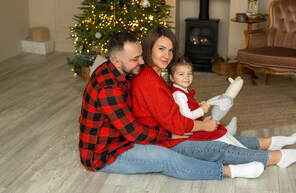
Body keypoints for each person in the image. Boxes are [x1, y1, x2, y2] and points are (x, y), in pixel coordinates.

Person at [78, 31, 264, 180]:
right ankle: (229, 171)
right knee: (167, 159)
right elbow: (133, 132)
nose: (142, 62)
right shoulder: (109, 88)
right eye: (136, 59)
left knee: (180, 146)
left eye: (141, 56)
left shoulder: (117, 70)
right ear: (116, 60)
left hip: (121, 140)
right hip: (105, 154)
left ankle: (258, 147)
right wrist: (169, 133)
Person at [130, 26, 296, 177]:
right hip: (164, 140)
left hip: (171, 133)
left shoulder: (153, 75)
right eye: (161, 49)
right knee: (218, 148)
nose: (167, 55)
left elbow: (170, 116)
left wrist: (198, 124)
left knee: (224, 136)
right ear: (149, 48)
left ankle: (270, 143)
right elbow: (173, 122)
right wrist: (202, 126)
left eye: (170, 50)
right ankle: (278, 157)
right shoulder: (148, 80)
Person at [169, 57, 247, 148]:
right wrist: (201, 110)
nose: (186, 77)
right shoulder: (178, 94)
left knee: (215, 127)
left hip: (194, 124)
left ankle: (232, 138)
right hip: (190, 131)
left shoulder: (183, 90)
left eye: (189, 74)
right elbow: (187, 117)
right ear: (172, 77)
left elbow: (185, 107)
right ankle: (240, 148)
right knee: (216, 134)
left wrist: (198, 106)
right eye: (181, 74)